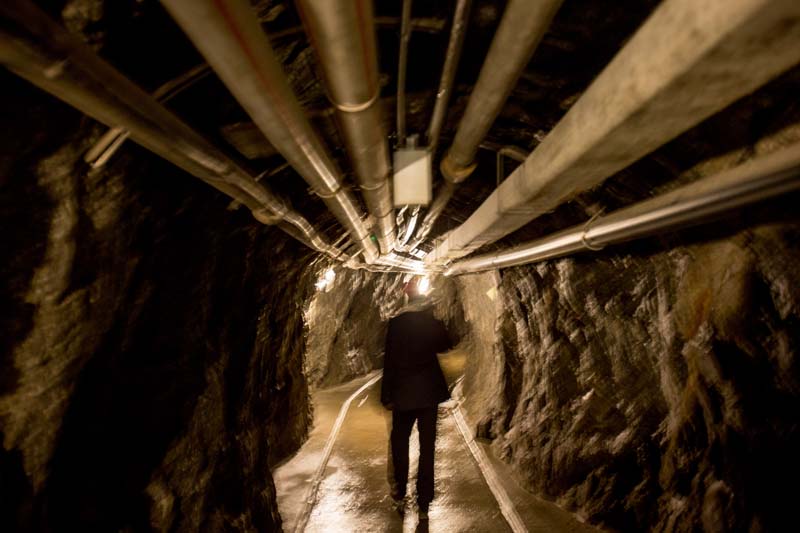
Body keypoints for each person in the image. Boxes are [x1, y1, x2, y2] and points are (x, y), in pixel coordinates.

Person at [381, 290, 452, 520]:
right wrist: (436, 318)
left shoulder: (396, 324)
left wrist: (386, 396)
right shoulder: (429, 321)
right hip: (428, 395)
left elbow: (389, 360)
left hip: (403, 394)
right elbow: (446, 344)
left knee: (399, 444)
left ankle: (400, 494)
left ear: (406, 300)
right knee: (427, 448)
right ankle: (423, 503)